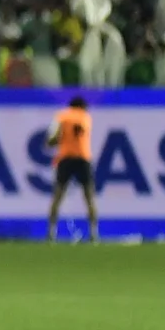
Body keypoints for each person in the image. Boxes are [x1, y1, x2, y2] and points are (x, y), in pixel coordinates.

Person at [47, 95, 97, 240]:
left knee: (58, 196)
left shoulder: (62, 116)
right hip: (83, 157)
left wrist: (54, 141)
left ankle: (52, 232)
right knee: (89, 197)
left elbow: (52, 138)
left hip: (66, 157)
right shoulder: (86, 117)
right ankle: (94, 232)